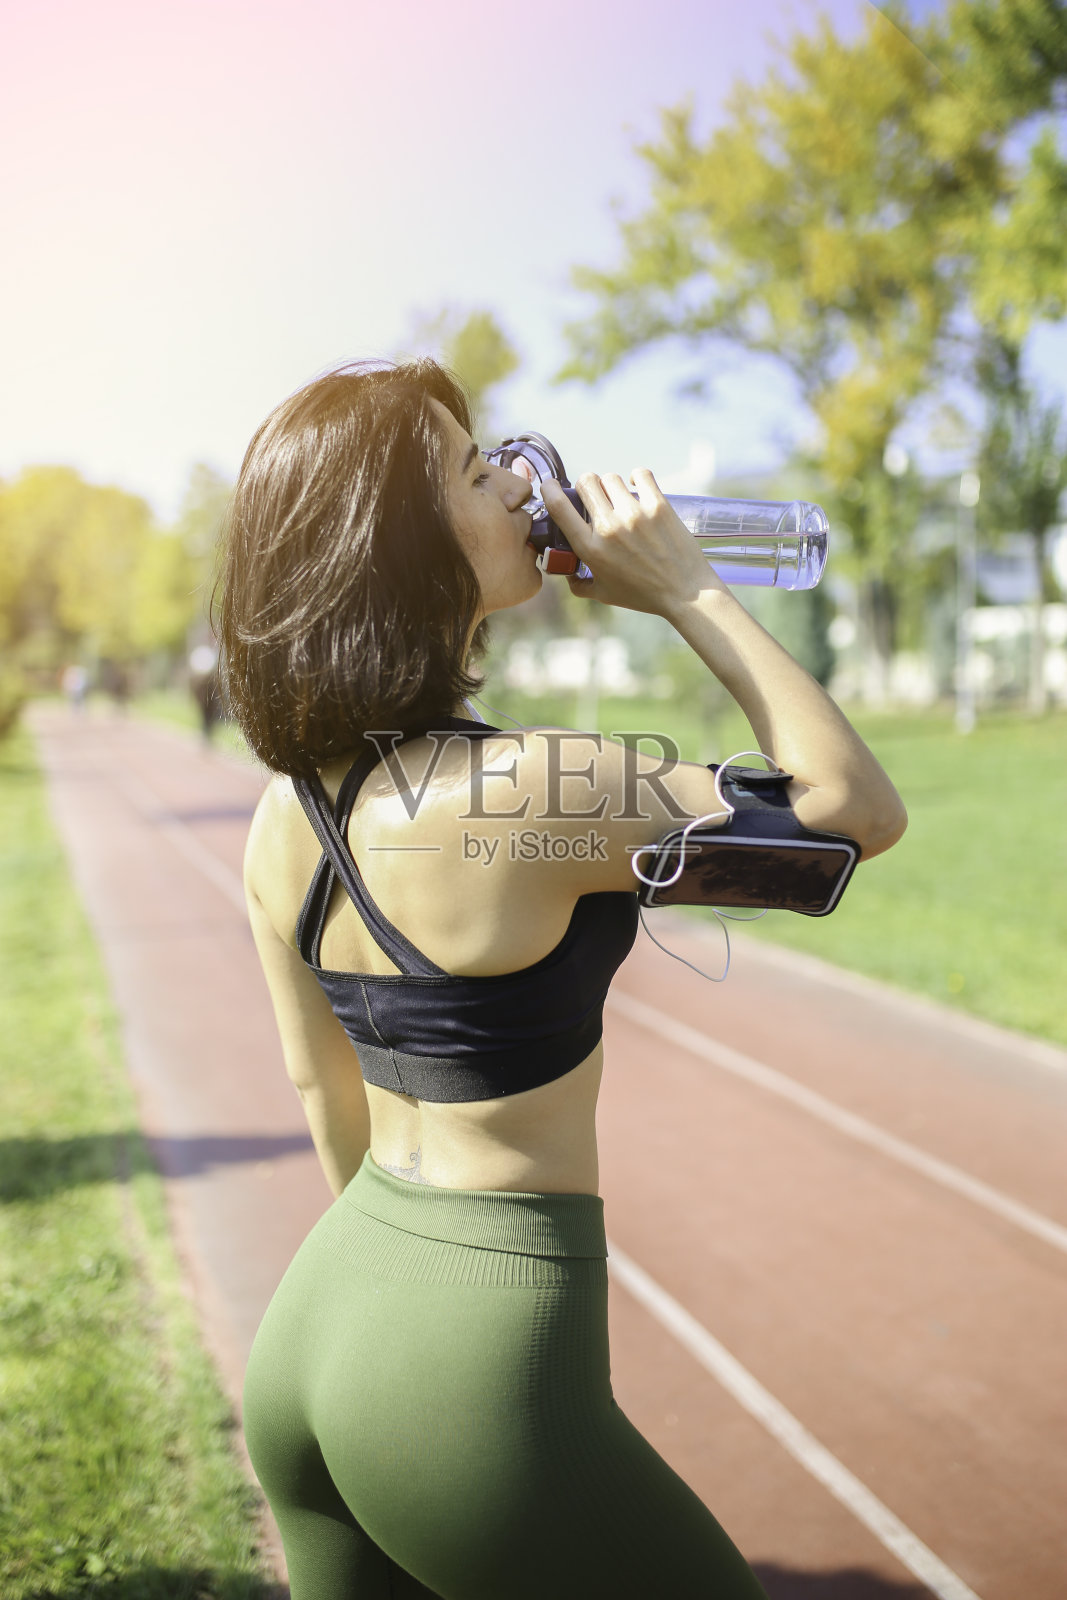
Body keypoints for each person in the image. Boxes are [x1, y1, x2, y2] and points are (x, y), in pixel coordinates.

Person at [218, 360, 906, 1599]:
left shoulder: (282, 812)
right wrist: (686, 584)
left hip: (322, 1321)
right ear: (406, 550)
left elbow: (322, 1093)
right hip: (471, 1380)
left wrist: (390, 1311)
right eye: (476, 470)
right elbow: (851, 809)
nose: (522, 481)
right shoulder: (533, 790)